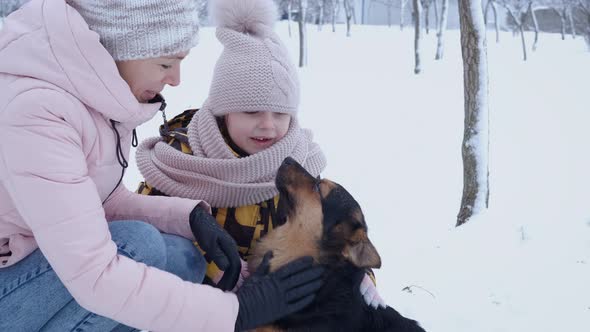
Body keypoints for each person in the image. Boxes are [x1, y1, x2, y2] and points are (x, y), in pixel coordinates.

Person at [0, 0, 323, 331]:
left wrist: (189, 218)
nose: (176, 79)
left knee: (180, 256)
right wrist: (236, 313)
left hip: (39, 260)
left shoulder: (88, 97)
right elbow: (93, 273)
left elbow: (95, 203)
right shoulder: (37, 112)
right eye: (166, 63)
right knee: (139, 245)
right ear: (123, 46)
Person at [136, 0, 385, 309]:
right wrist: (216, 271)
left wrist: (357, 281)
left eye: (281, 113)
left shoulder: (299, 169)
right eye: (251, 110)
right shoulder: (182, 161)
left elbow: (332, 236)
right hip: (190, 302)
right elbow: (143, 235)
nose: (268, 126)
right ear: (223, 111)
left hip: (269, 307)